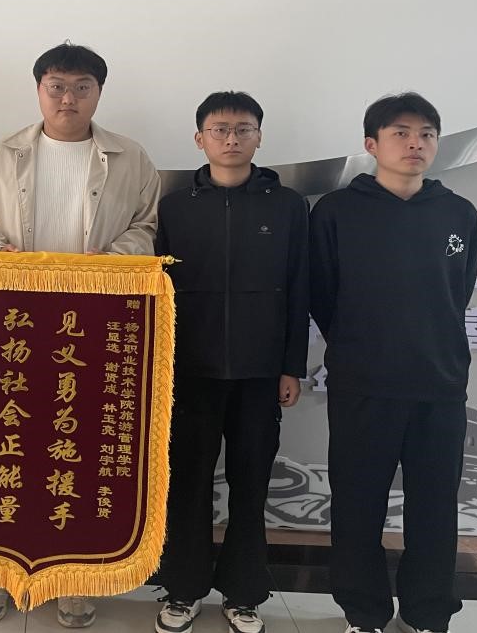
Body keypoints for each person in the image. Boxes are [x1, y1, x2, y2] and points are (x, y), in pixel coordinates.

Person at [0, 43, 161, 628]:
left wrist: (110, 260)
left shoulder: (130, 158)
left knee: (77, 447)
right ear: (39, 89)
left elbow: (146, 225)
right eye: (56, 86)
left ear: (98, 93)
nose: (67, 97)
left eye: (81, 87)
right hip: (11, 321)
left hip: (90, 323)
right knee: (5, 443)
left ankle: (73, 577)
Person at [308, 93, 477, 633]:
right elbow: (322, 295)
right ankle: (364, 613)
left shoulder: (458, 213)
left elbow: (458, 294)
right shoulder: (336, 211)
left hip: (440, 385)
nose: (415, 144)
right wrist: (360, 345)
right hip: (363, 384)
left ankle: (428, 613)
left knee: (435, 508)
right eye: (401, 133)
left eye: (427, 134)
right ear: (372, 144)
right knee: (358, 505)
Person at [153, 91, 309, 633]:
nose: (231, 138)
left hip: (260, 373)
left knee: (251, 486)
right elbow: (157, 290)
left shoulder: (287, 206)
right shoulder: (175, 206)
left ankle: (244, 593)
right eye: (219, 129)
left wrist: (291, 366)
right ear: (200, 139)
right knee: (187, 483)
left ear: (259, 137)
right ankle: (183, 589)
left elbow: (299, 288)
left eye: (244, 129)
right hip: (188, 371)